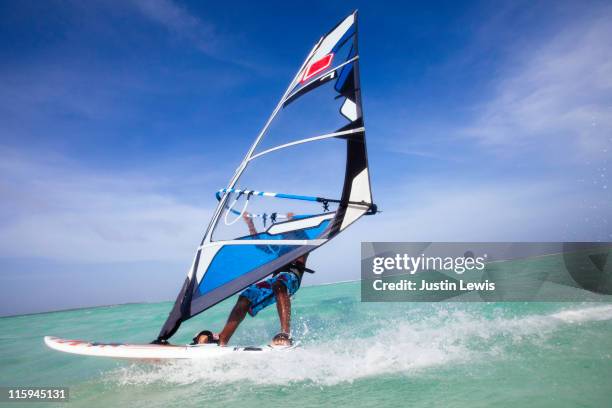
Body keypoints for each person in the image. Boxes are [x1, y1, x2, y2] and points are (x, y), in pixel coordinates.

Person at [194, 212, 311, 347]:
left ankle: (285, 333)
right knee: (246, 296)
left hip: (291, 278)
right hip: (276, 281)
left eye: (287, 232)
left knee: (280, 283)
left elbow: (305, 235)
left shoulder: (302, 245)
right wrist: (250, 223)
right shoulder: (279, 249)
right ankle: (223, 338)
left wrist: (293, 221)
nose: (284, 235)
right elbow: (259, 244)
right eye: (283, 232)